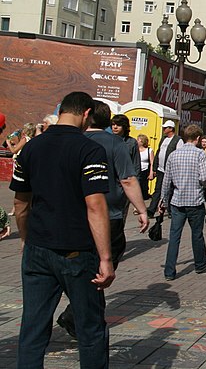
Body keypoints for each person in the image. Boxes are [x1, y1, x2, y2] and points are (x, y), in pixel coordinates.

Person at [10, 91, 114, 368]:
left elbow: (21, 204)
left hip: (37, 248)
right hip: (76, 250)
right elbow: (95, 206)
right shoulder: (89, 149)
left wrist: (25, 239)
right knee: (90, 327)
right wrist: (105, 258)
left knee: (32, 328)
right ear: (86, 114)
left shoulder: (31, 148)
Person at [57, 100, 149, 338]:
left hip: (74, 215)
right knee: (103, 267)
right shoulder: (115, 144)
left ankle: (78, 313)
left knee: (81, 265)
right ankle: (78, 315)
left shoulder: (74, 141)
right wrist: (142, 209)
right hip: (109, 214)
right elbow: (128, 179)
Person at [157, 124, 206, 280]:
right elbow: (203, 178)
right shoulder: (200, 154)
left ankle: (169, 271)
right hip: (194, 200)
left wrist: (163, 201)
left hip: (177, 201)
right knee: (197, 234)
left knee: (174, 236)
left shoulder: (173, 155)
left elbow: (166, 181)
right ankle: (200, 263)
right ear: (197, 138)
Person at [147, 120, 184, 218]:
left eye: (165, 128)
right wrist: (154, 168)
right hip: (160, 169)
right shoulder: (163, 139)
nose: (164, 129)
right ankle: (151, 210)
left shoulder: (178, 140)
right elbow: (158, 153)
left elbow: (179, 155)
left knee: (170, 190)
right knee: (158, 190)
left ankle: (171, 210)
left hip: (171, 170)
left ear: (171, 129)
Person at [136, 134, 154, 202]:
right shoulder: (135, 149)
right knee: (136, 188)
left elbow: (152, 162)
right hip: (136, 171)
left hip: (145, 171)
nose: (136, 141)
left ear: (142, 141)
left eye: (138, 140)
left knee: (143, 189)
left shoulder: (149, 150)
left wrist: (151, 173)